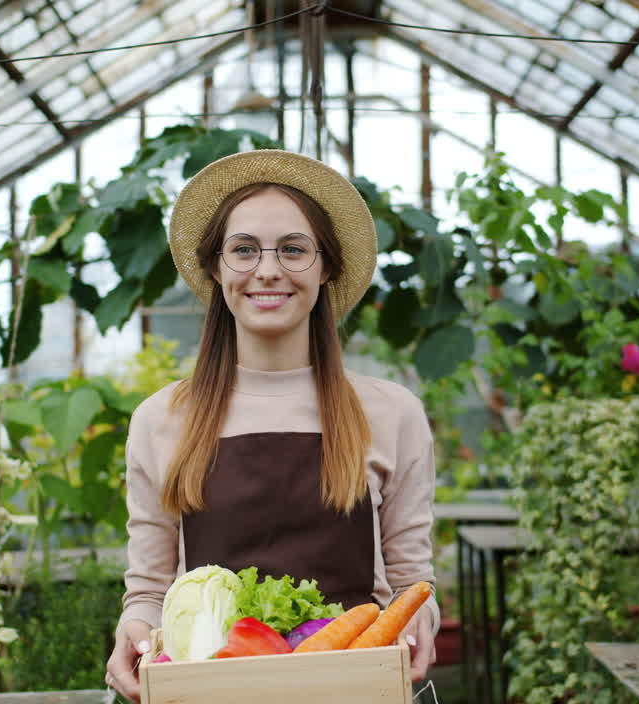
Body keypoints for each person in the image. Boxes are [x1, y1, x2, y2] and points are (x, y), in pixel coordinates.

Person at [104, 149, 438, 701]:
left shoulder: (391, 412)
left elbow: (410, 580)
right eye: (244, 250)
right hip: (210, 694)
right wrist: (135, 629)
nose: (267, 270)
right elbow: (148, 589)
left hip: (356, 687)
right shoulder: (162, 420)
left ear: (326, 266)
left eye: (293, 249)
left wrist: (420, 618)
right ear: (216, 268)